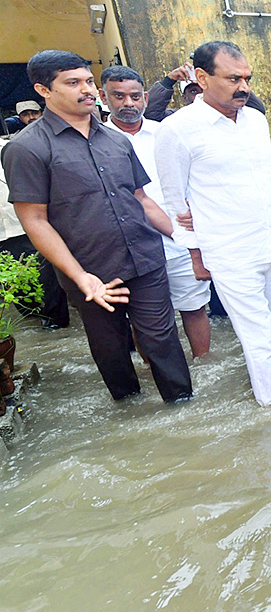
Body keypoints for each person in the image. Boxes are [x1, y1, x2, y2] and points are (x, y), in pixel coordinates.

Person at [0, 50, 191, 404]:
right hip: (90, 270)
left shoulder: (117, 140)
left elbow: (142, 200)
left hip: (145, 259)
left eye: (88, 81)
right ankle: (130, 417)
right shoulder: (26, 149)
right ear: (44, 90)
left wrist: (188, 241)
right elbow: (34, 221)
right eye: (73, 83)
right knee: (112, 349)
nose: (87, 90)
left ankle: (183, 408)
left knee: (163, 340)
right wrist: (80, 276)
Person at [154, 41, 271, 407]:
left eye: (247, 78)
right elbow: (175, 200)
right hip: (229, 251)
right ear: (202, 78)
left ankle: (265, 377)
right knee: (258, 336)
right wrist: (196, 254)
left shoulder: (256, 121)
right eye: (233, 78)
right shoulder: (177, 129)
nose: (244, 87)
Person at [99, 65, 211, 358]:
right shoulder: (95, 143)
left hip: (182, 239)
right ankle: (159, 374)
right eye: (119, 96)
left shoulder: (165, 132)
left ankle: (204, 364)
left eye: (135, 97)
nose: (128, 104)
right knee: (146, 319)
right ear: (103, 97)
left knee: (194, 306)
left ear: (145, 98)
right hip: (133, 246)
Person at [146, 63, 265, 121]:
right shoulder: (180, 120)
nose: (200, 94)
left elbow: (257, 110)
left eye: (204, 88)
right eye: (193, 91)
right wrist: (169, 80)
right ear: (185, 98)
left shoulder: (231, 114)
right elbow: (150, 113)